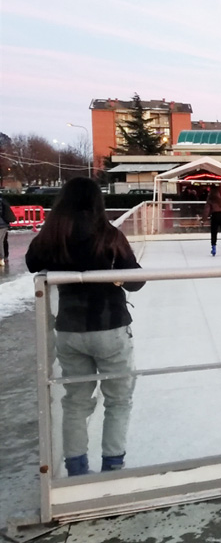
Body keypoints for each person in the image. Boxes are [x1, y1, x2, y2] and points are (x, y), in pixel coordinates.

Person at [25, 177, 145, 476]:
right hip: (110, 327)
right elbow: (136, 281)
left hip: (69, 330)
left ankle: (77, 469)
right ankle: (113, 466)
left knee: (76, 402)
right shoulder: (108, 235)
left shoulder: (52, 236)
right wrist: (113, 274)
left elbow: (31, 263)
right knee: (118, 400)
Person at [203, 185, 221, 256]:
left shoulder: (210, 200)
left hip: (214, 216)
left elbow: (206, 211)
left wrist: (204, 219)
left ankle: (214, 248)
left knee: (214, 232)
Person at [0, 195, 16, 267]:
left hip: (2, 224)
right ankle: (4, 257)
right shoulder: (2, 199)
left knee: (1, 241)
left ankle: (2, 258)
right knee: (3, 241)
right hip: (4, 224)